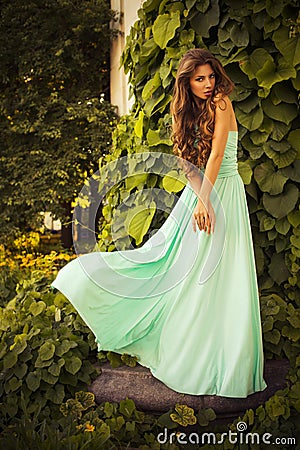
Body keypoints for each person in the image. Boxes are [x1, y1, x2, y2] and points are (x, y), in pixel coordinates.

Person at [51, 48, 267, 397]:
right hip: (201, 195)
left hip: (222, 192)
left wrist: (205, 201)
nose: (209, 84)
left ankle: (223, 361)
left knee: (221, 277)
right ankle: (88, 278)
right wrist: (200, 200)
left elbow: (215, 155)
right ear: (187, 82)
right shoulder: (183, 111)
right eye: (200, 79)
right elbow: (186, 162)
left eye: (211, 76)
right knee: (169, 264)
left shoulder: (222, 104)